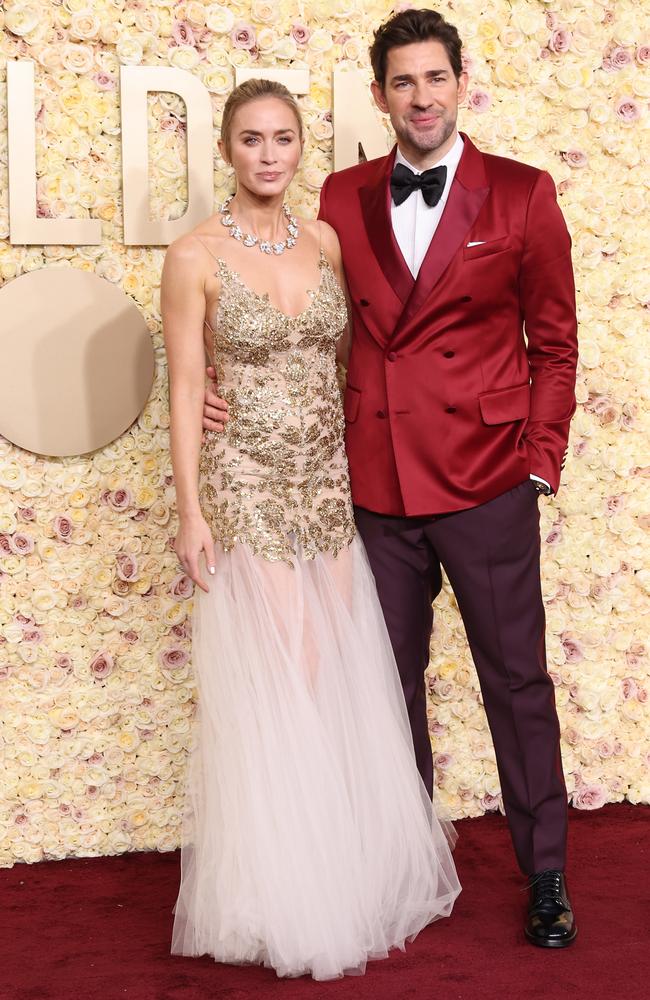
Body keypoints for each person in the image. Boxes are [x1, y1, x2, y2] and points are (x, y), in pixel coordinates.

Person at [203, 11, 578, 949]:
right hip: (373, 488)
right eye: (402, 83)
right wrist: (220, 388)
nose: (421, 97)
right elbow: (295, 312)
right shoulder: (341, 196)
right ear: (380, 96)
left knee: (517, 682)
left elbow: (558, 345)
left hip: (488, 480)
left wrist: (536, 462)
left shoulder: (524, 196)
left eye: (435, 79)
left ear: (462, 84)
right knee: (384, 686)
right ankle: (407, 866)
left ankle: (547, 872)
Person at [162, 77, 460, 981]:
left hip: (327, 481)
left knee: (338, 667)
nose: (268, 155)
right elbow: (181, 384)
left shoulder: (327, 241)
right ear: (227, 151)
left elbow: (353, 355)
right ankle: (283, 891)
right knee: (282, 668)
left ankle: (349, 869)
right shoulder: (193, 255)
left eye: (283, 138)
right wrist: (190, 511)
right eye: (251, 139)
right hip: (247, 481)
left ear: (299, 149)